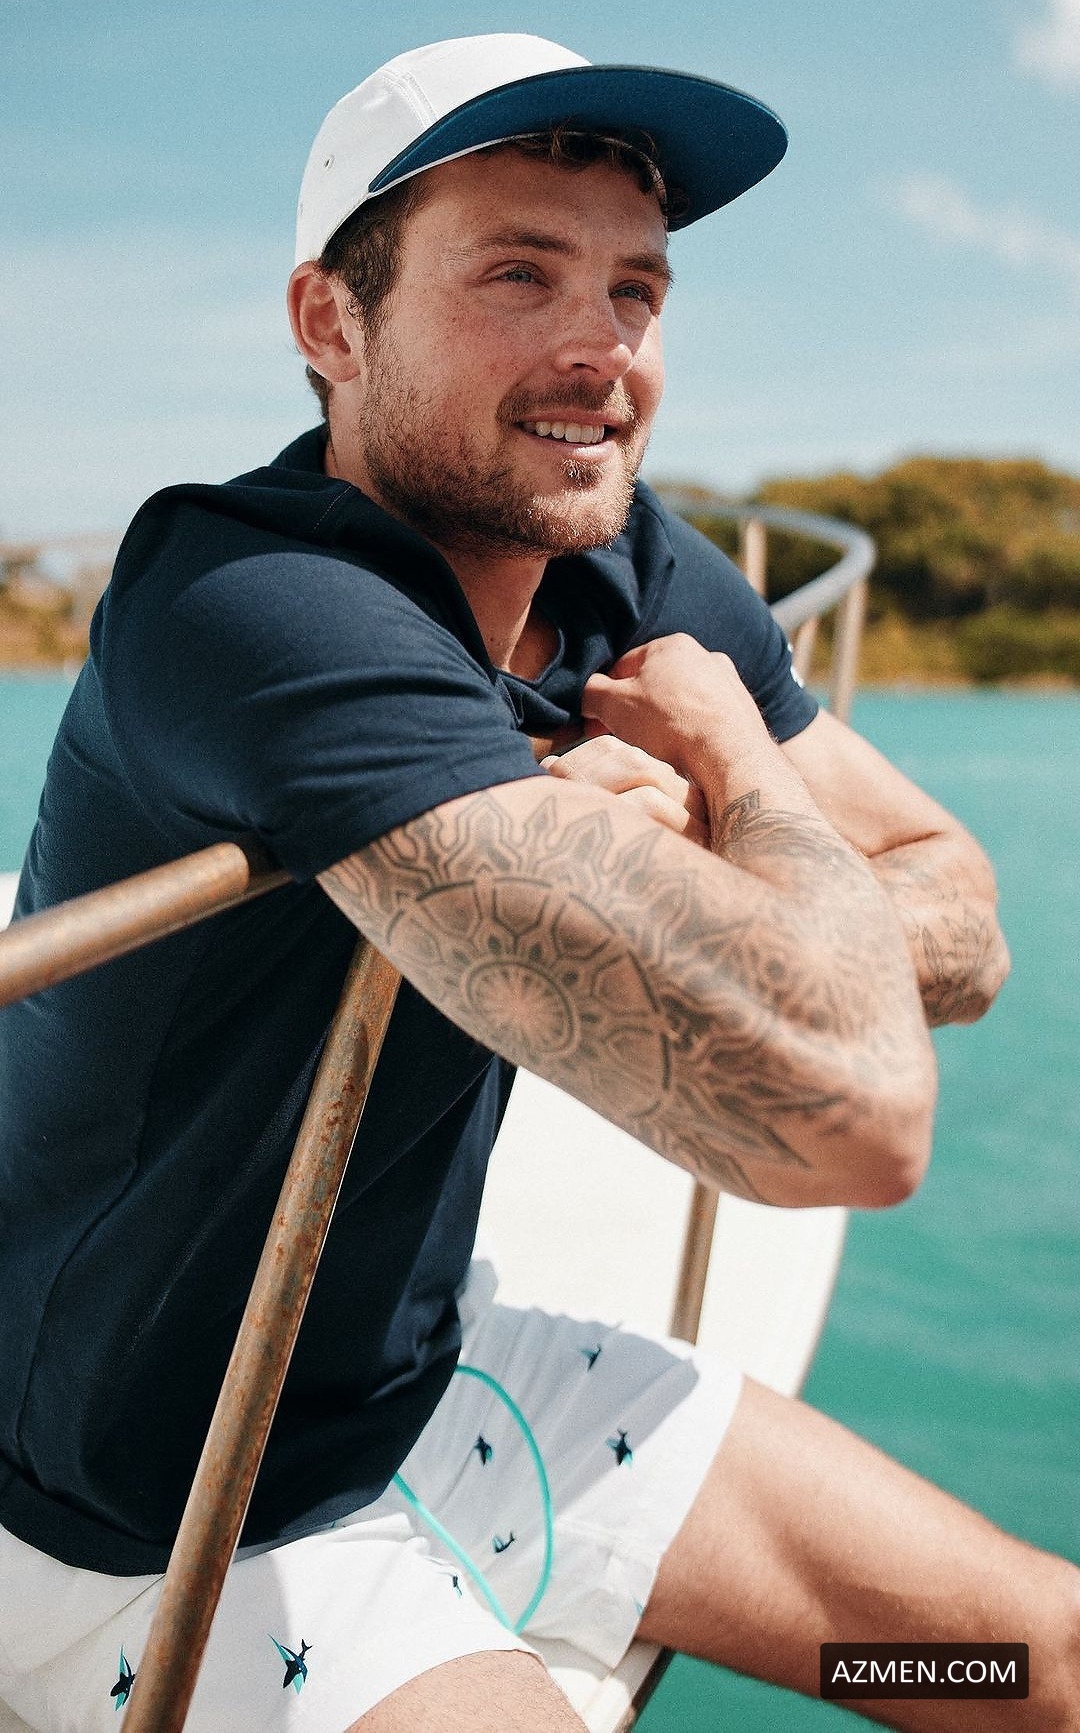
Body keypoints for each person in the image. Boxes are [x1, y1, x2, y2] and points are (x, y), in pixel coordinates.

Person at [0, 30, 1073, 1733]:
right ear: (329, 323)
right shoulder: (259, 604)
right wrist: (748, 788)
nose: (601, 348)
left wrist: (706, 800)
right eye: (520, 274)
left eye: (636, 289)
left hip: (436, 1381)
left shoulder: (621, 565)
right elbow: (856, 1110)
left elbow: (961, 903)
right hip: (153, 1512)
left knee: (1026, 1665)